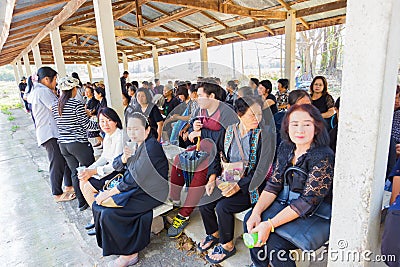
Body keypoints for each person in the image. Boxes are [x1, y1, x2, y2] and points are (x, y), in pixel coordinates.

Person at [244, 104, 334, 267]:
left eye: (307, 124)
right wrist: (257, 212)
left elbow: (307, 201)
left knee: (275, 244)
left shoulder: (322, 156)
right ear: (287, 126)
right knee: (249, 220)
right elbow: (274, 184)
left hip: (312, 211)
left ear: (316, 127)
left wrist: (269, 224)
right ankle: (259, 265)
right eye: (295, 124)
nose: (300, 130)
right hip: (287, 202)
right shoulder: (286, 147)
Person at [198, 97, 269, 264]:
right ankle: (214, 233)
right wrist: (212, 177)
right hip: (230, 178)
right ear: (239, 114)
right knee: (205, 200)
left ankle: (227, 245)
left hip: (251, 187)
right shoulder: (228, 131)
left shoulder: (264, 137)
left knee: (223, 207)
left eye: (259, 114)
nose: (256, 119)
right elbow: (216, 156)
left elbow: (261, 172)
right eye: (251, 114)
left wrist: (238, 187)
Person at [91, 112, 169, 266]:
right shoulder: (135, 144)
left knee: (111, 213)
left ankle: (130, 254)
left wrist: (109, 192)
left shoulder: (151, 148)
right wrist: (124, 158)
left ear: (147, 130)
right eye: (130, 129)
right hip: (137, 188)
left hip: (152, 193)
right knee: (98, 205)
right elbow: (116, 165)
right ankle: (113, 242)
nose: (132, 133)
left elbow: (133, 178)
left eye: (137, 129)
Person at [167, 81, 238, 238]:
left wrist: (201, 133)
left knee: (201, 172)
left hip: (222, 155)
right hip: (203, 148)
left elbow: (227, 138)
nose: (197, 98)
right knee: (179, 159)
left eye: (200, 95)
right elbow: (194, 124)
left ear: (211, 96)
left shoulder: (227, 112)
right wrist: (194, 127)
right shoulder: (201, 109)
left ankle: (184, 214)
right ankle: (175, 198)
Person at [51, 76, 99, 211]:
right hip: (78, 144)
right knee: (88, 171)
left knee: (74, 172)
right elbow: (86, 124)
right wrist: (101, 124)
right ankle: (91, 199)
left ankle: (81, 203)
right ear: (73, 89)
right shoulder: (76, 104)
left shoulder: (55, 105)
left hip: (64, 145)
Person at [28, 67, 74, 202]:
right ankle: (57, 193)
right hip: (49, 133)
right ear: (46, 79)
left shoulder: (40, 91)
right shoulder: (42, 91)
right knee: (57, 162)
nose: (56, 83)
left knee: (63, 159)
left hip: (52, 132)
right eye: (55, 80)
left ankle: (69, 185)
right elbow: (58, 109)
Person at [78, 107, 124, 235]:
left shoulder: (119, 136)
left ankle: (100, 220)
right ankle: (97, 215)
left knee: (87, 186)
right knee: (83, 179)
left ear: (115, 121)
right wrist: (89, 169)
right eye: (102, 121)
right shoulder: (108, 135)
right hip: (109, 170)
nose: (105, 124)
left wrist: (94, 172)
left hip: (120, 173)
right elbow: (104, 157)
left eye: (108, 120)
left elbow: (116, 165)